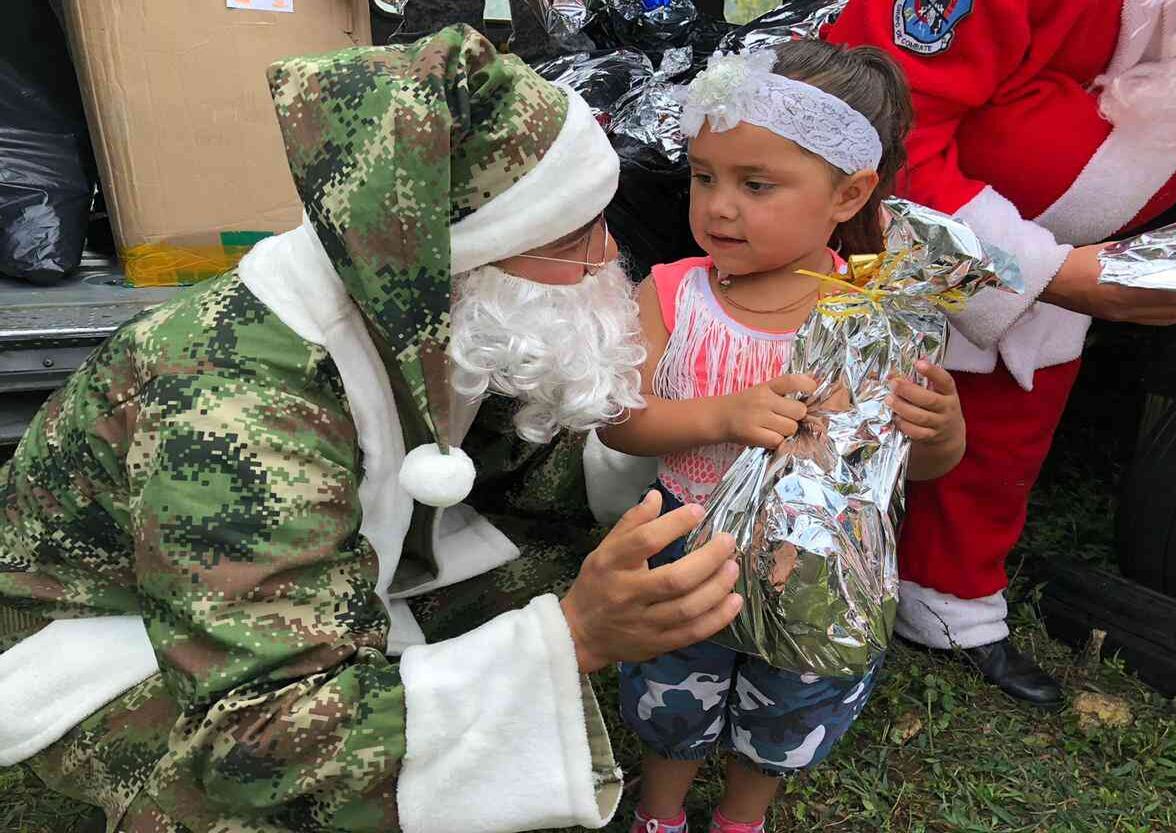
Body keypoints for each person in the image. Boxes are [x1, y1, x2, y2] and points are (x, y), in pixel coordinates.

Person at [0, 27, 747, 833]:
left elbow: (524, 470)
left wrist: (688, 448)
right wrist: (573, 636)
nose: (610, 262)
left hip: (285, 571)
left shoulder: (421, 303)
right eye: (573, 238)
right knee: (254, 798)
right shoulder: (233, 403)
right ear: (467, 254)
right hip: (111, 635)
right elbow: (255, 737)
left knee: (546, 573)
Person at [824, 0, 1176, 707]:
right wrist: (1053, 276)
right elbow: (869, 127)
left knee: (1004, 432)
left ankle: (951, 598)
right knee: (808, 413)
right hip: (867, 229)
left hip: (1052, 268)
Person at [599, 41, 966, 833]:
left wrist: (942, 430)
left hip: (816, 558)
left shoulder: (874, 317)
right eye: (704, 176)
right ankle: (661, 807)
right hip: (686, 535)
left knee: (790, 700)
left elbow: (915, 462)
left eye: (756, 184)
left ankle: (742, 814)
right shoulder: (672, 294)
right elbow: (621, 420)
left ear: (849, 193)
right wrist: (721, 415)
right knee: (674, 683)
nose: (719, 206)